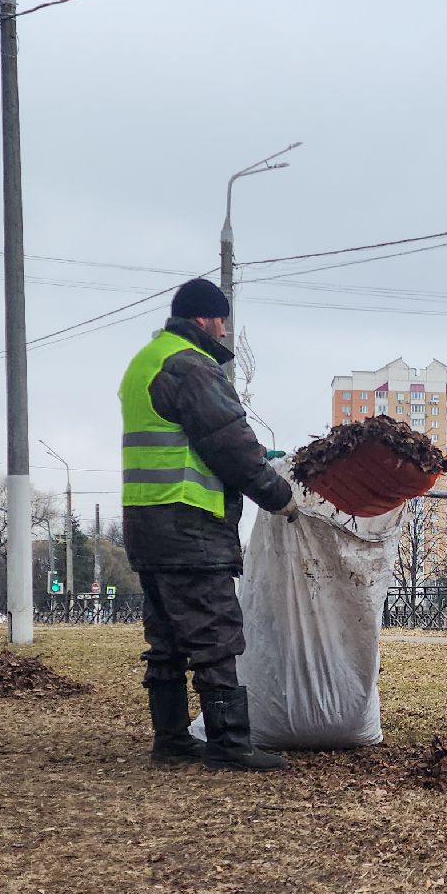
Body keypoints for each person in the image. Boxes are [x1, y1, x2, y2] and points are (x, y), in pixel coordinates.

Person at [119, 278, 297, 771]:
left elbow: (185, 437)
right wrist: (278, 495)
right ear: (204, 319)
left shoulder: (147, 361)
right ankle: (229, 742)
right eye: (222, 321)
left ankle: (172, 739)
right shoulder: (191, 366)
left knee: (167, 637)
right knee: (213, 631)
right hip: (189, 522)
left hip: (146, 522)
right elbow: (227, 442)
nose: (225, 330)